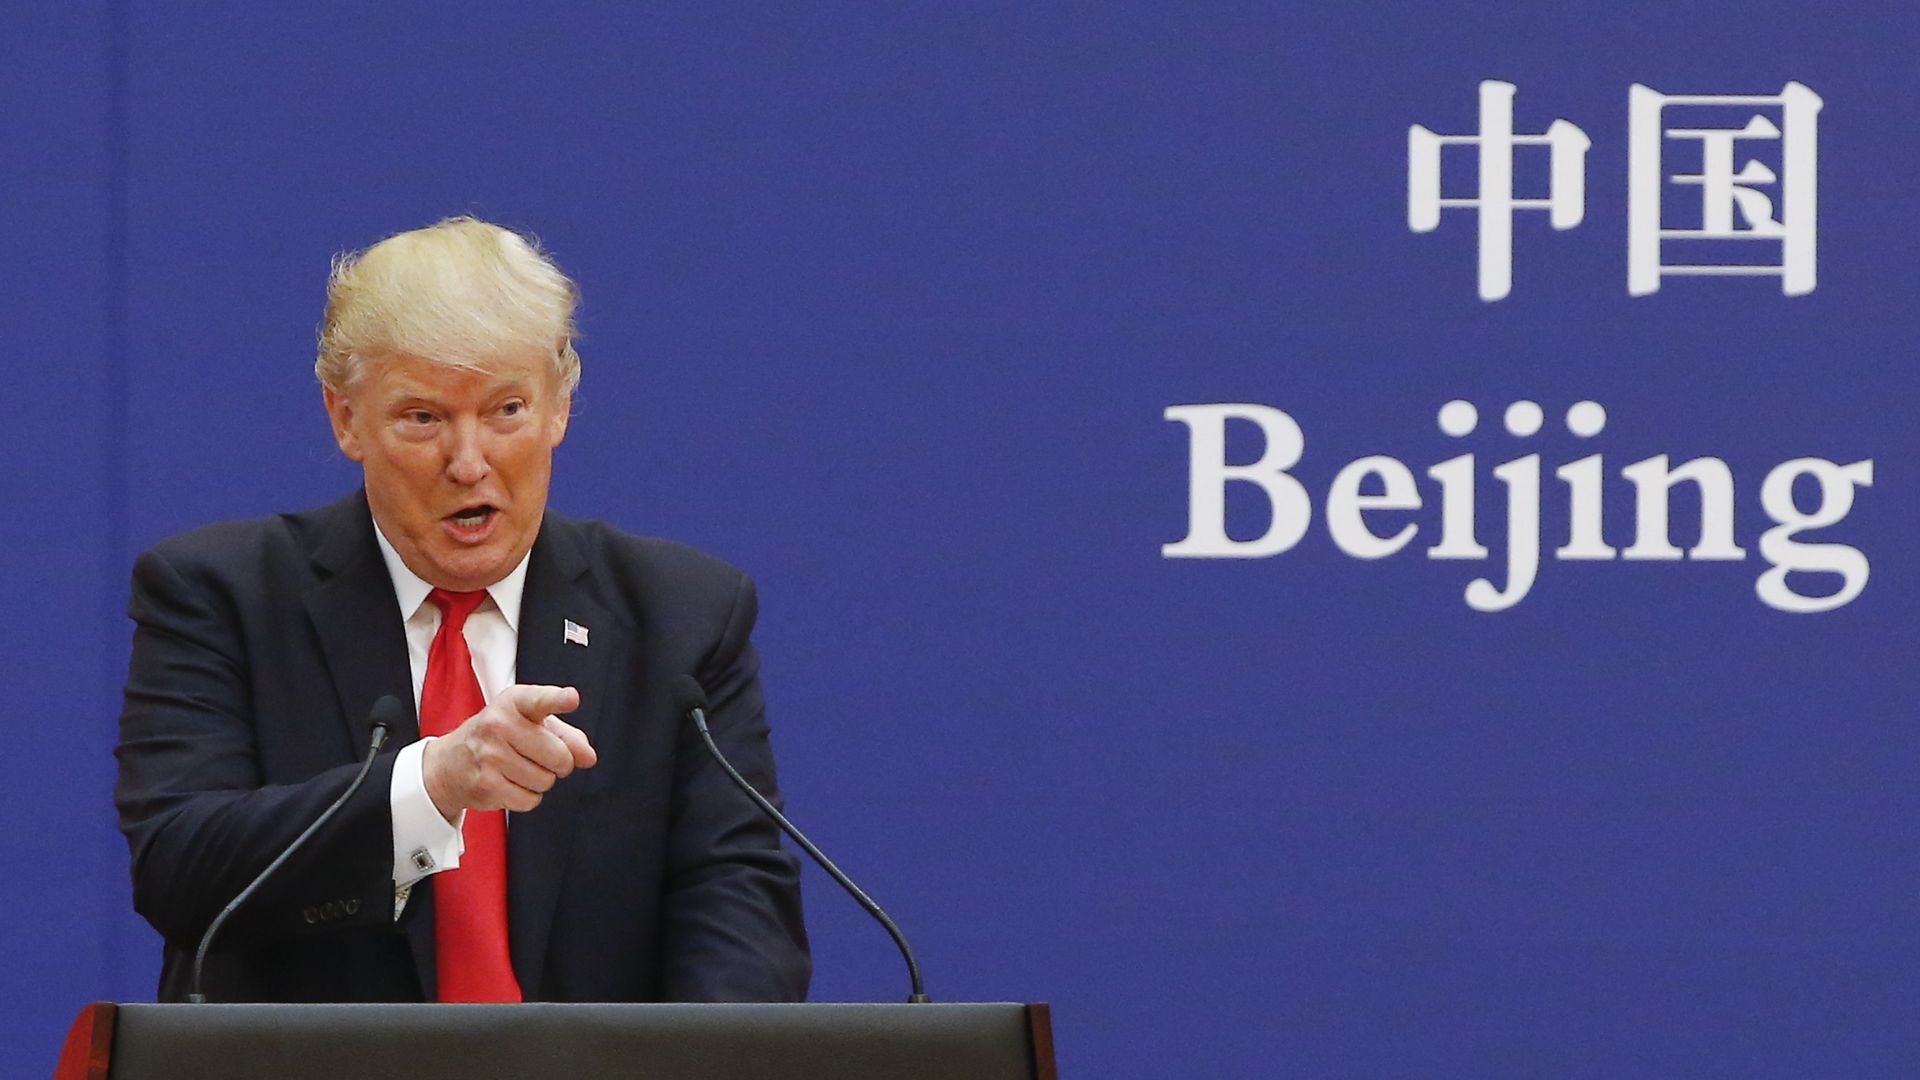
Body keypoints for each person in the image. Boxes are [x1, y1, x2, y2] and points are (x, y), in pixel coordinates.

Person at [113, 217, 809, 1003]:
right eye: (424, 418)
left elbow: (738, 906)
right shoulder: (221, 596)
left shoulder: (683, 616)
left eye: (506, 410)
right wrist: (430, 786)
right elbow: (181, 872)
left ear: (559, 408)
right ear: (347, 419)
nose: (469, 462)